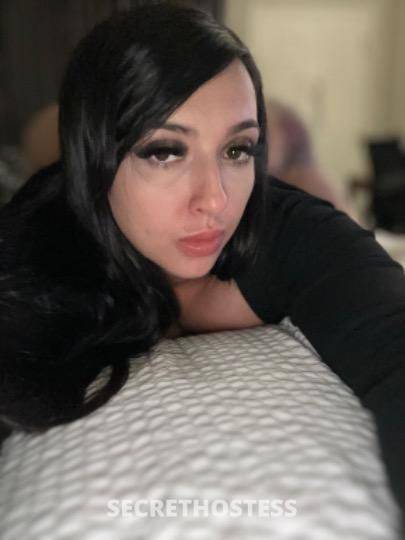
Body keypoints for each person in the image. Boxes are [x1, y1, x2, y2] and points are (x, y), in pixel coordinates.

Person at [0, 1, 404, 524]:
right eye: (164, 151)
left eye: (238, 150)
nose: (214, 200)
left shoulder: (293, 231)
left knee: (290, 139)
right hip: (63, 159)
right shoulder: (36, 248)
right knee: (42, 136)